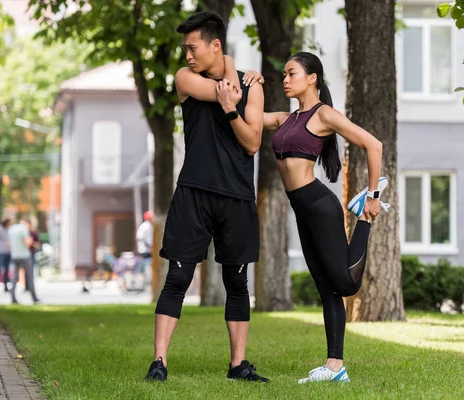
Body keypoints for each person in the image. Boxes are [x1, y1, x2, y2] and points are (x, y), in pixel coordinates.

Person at [241, 52, 389, 383]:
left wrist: (374, 196)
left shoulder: (324, 115)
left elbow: (373, 144)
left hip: (319, 205)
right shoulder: (286, 118)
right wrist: (249, 81)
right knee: (327, 289)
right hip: (302, 209)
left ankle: (364, 217)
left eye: (292, 73)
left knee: (346, 284)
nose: (285, 78)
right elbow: (248, 116)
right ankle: (335, 368)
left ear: (312, 79)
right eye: (283, 74)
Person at [144, 11, 267, 383]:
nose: (188, 56)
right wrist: (232, 78)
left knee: (237, 281)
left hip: (237, 197)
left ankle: (238, 365)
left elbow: (253, 143)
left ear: (214, 44)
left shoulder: (253, 88)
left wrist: (234, 106)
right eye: (185, 49)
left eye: (193, 48)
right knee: (177, 279)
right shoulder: (185, 79)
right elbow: (220, 91)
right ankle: (159, 362)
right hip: (194, 192)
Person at [8, 218, 39, 304]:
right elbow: (27, 243)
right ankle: (34, 298)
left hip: (14, 255)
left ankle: (13, 298)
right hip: (24, 256)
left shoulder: (12, 229)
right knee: (30, 276)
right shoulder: (24, 229)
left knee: (14, 277)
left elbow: (9, 244)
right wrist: (31, 241)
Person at [0, 218, 12, 292]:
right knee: (0, 269)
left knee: (7, 269)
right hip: (1, 252)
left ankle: (5, 286)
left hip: (8, 252)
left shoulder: (10, 229)